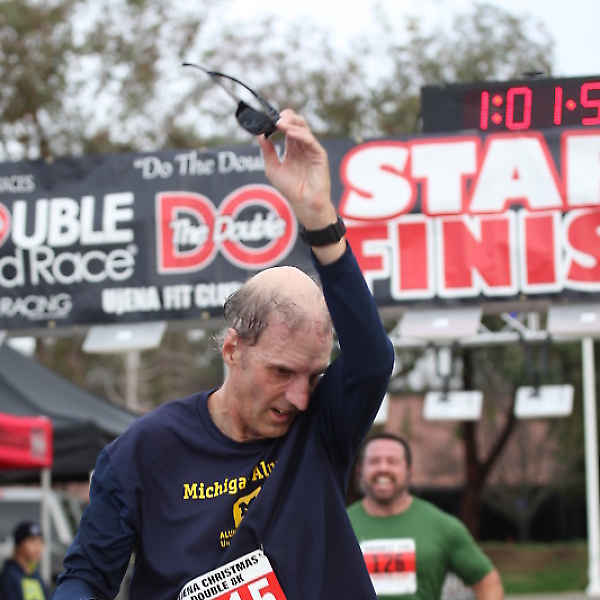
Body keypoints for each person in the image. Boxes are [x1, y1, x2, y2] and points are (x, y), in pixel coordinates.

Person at [52, 109, 395, 600]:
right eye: (281, 371)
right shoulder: (144, 450)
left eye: (314, 375)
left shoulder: (321, 426)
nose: (299, 396)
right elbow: (86, 576)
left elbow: (373, 360)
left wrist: (319, 216)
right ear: (233, 348)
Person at [348, 433, 504, 600]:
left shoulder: (442, 526)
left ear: (409, 471)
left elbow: (487, 582)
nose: (383, 468)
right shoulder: (340, 527)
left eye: (392, 461)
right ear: (360, 471)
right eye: (374, 461)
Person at [0, 521, 49, 600]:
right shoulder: (9, 575)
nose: (38, 548)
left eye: (41, 543)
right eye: (32, 541)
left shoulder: (36, 575)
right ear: (19, 544)